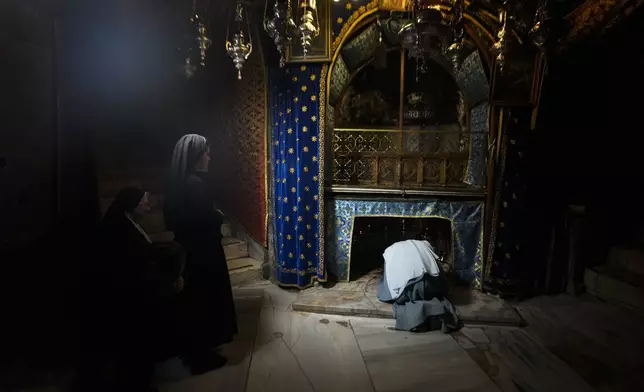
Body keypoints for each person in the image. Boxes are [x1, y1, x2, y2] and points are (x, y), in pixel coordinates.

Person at [75, 187, 185, 392]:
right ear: (131, 204)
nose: (147, 204)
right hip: (126, 296)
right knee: (132, 348)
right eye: (143, 201)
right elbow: (134, 259)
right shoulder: (119, 227)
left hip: (132, 291)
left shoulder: (127, 222)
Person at [164, 134, 237, 374]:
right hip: (202, 252)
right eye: (206, 152)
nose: (209, 156)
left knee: (195, 301)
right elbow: (203, 218)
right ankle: (201, 356)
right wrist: (217, 215)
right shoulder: (194, 184)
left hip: (193, 249)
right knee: (203, 300)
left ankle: (196, 349)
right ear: (195, 156)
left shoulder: (182, 182)